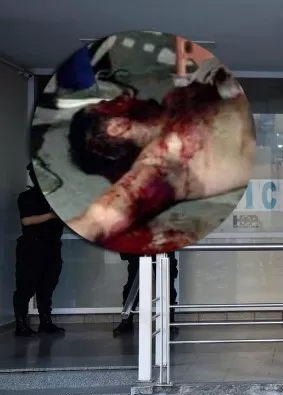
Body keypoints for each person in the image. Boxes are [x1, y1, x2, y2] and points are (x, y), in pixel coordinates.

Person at [64, 63, 255, 255]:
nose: (123, 96)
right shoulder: (160, 160)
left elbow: (201, 77)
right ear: (117, 127)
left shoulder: (175, 102)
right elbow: (98, 220)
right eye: (107, 105)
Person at [12, 164, 66, 337]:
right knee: (26, 286)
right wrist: (51, 215)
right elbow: (26, 221)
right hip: (31, 248)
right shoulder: (27, 196)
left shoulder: (56, 198)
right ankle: (21, 325)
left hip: (52, 247)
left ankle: (46, 323)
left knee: (47, 286)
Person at [113, 252, 179, 338]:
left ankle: (169, 320)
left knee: (167, 283)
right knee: (132, 284)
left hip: (162, 244)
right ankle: (126, 320)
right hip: (139, 245)